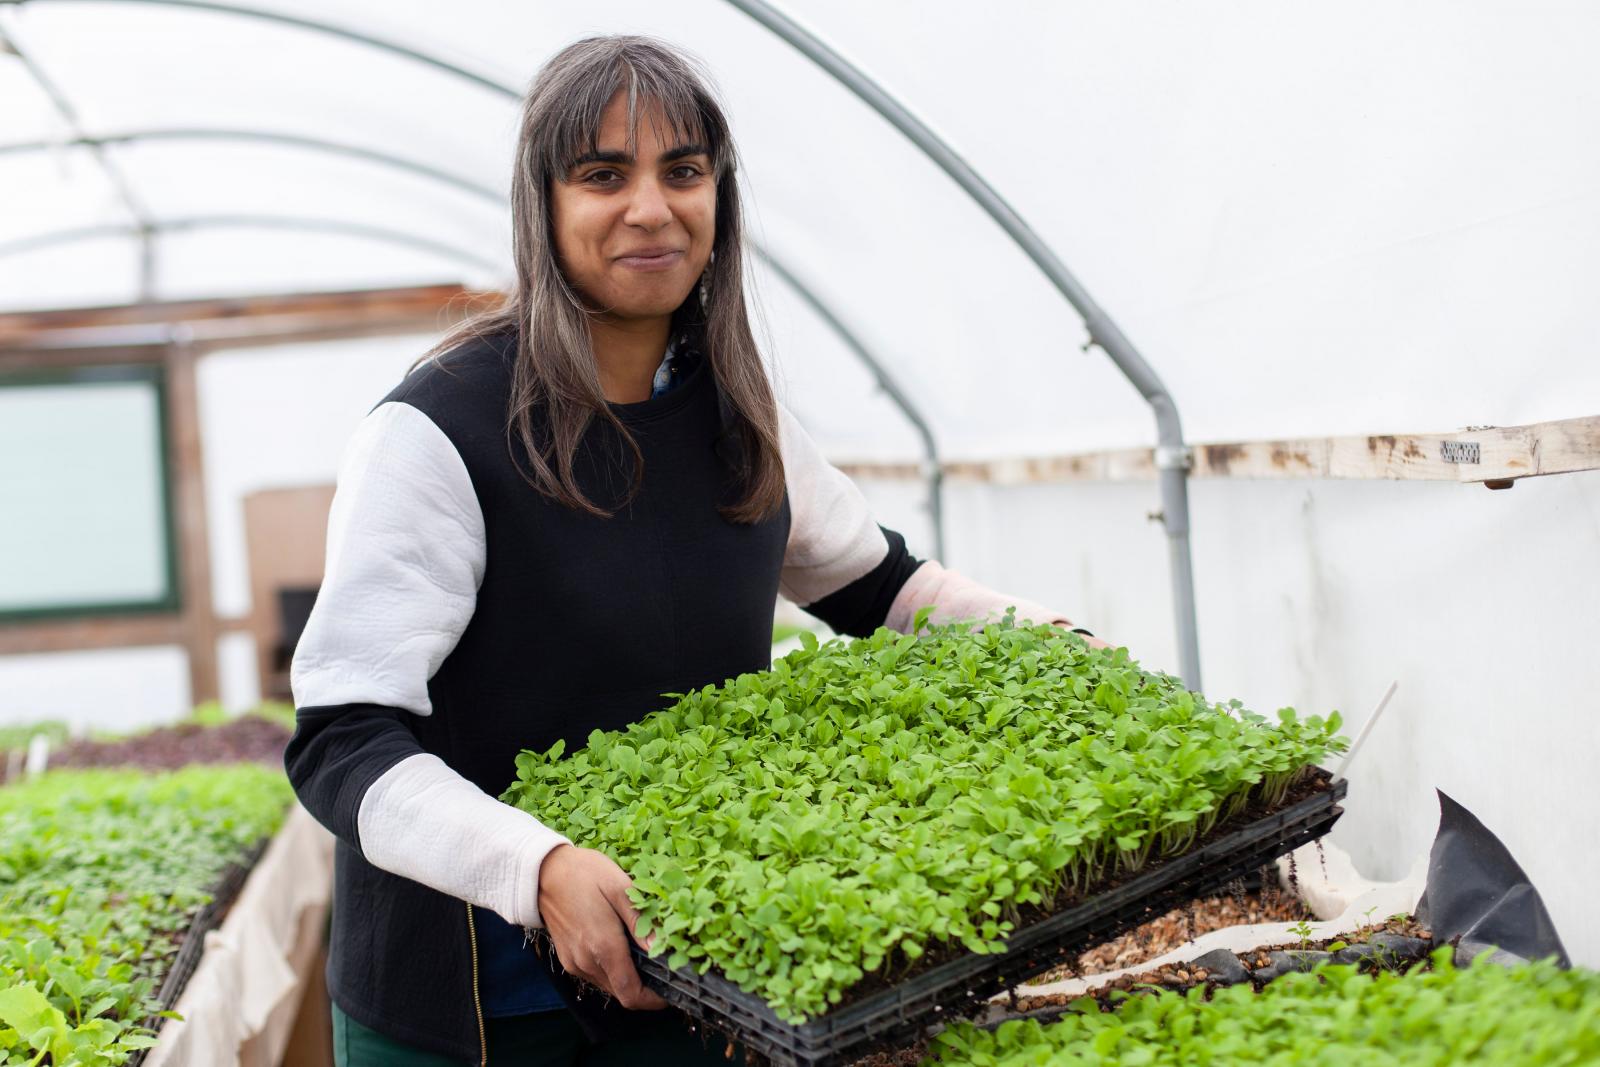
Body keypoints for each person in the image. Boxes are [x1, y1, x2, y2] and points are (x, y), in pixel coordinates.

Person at [285, 34, 1101, 1067]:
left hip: (694, 970)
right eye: (602, 175)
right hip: (475, 1010)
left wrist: (1049, 642)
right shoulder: (441, 429)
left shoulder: (736, 414)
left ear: (719, 199)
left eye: (683, 171)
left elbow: (879, 587)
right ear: (543, 207)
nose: (650, 207)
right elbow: (343, 737)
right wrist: (536, 867)